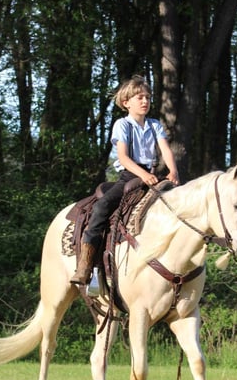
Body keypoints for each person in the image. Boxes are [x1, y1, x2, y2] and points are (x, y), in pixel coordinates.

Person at [71, 75, 180, 285]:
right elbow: (123, 157)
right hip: (131, 175)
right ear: (126, 102)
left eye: (147, 97)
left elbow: (165, 150)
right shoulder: (123, 125)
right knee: (102, 207)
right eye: (140, 97)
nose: (145, 101)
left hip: (151, 175)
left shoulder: (155, 125)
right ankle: (86, 264)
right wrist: (143, 174)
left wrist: (173, 171)